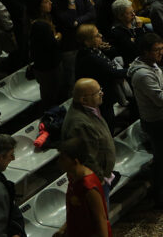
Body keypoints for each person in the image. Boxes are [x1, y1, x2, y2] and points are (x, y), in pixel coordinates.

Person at [128, 32, 163, 213]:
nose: (161, 53)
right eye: (156, 50)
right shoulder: (142, 75)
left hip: (162, 118)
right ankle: (160, 198)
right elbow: (161, 98)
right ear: (145, 52)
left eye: (162, 49)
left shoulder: (152, 65)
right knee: (161, 161)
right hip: (155, 121)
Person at [62, 78, 117, 208]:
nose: (102, 93)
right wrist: (101, 179)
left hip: (101, 179)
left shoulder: (89, 109)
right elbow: (87, 158)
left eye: (100, 90)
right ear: (83, 100)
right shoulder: (79, 124)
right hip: (95, 184)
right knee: (99, 221)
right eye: (97, 92)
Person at [54, 137, 113, 237]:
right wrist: (63, 229)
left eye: (63, 159)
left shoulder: (88, 186)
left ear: (75, 162)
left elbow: (101, 219)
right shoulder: (72, 177)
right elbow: (75, 211)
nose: (59, 162)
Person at [74, 23, 126, 130]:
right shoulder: (90, 57)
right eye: (97, 35)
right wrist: (132, 69)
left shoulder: (93, 50)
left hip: (102, 94)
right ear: (87, 41)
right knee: (107, 121)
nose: (101, 36)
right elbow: (112, 73)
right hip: (99, 97)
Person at [27, 0, 66, 108]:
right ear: (38, 6)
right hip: (48, 67)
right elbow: (52, 43)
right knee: (51, 95)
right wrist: (59, 36)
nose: (50, 3)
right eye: (46, 2)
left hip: (48, 65)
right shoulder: (40, 25)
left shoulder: (45, 18)